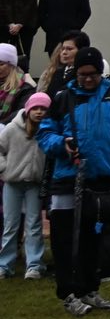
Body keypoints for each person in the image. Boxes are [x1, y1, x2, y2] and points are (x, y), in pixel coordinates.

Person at [37, 48, 110, 317]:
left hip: (103, 177)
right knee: (65, 238)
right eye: (82, 75)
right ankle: (68, 292)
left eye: (92, 74)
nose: (88, 80)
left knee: (95, 237)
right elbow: (45, 134)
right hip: (67, 179)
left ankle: (89, 288)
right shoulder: (63, 99)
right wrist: (63, 145)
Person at [1, 89, 50, 280]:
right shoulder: (12, 129)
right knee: (10, 225)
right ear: (28, 109)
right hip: (13, 183)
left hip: (34, 184)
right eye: (35, 108)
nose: (39, 112)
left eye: (43, 109)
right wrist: (5, 169)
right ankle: (5, 264)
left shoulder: (46, 131)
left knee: (34, 224)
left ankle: (34, 264)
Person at [35, 0, 90, 66]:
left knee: (72, 65)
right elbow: (41, 13)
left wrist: (76, 26)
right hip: (53, 36)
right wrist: (48, 27)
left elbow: (85, 11)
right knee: (54, 67)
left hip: (72, 35)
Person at [2, 0, 37, 69]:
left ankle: (23, 82)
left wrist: (20, 24)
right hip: (4, 28)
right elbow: (1, 7)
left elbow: (31, 7)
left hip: (25, 28)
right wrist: (10, 24)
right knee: (4, 57)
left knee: (23, 56)